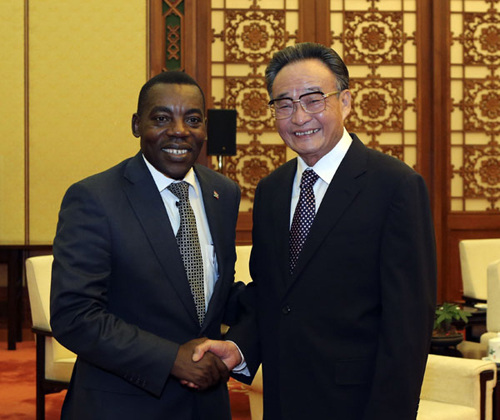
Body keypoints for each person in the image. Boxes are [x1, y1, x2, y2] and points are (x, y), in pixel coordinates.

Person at [193, 42, 437, 419]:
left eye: (313, 99)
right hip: (283, 397)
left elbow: (408, 322)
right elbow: (273, 295)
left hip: (357, 404)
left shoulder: (394, 186)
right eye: (284, 104)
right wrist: (240, 347)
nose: (299, 116)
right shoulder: (272, 190)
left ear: (347, 102)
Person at [50, 71, 242, 420]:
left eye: (193, 119)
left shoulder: (223, 193)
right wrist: (171, 360)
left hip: (207, 406)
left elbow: (213, 294)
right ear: (137, 125)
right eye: (162, 118)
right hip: (123, 404)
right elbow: (75, 315)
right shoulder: (94, 198)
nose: (180, 130)